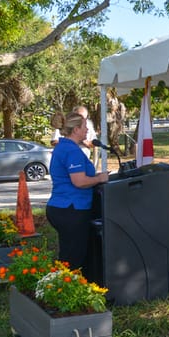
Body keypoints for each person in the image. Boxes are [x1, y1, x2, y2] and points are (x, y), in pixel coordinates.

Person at [46, 112, 109, 270]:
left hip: (61, 207)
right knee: (73, 258)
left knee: (68, 254)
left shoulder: (63, 146)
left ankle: (63, 286)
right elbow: (79, 182)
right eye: (85, 127)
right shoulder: (72, 151)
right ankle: (63, 289)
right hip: (71, 209)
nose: (87, 130)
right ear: (75, 130)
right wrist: (100, 179)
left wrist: (95, 177)